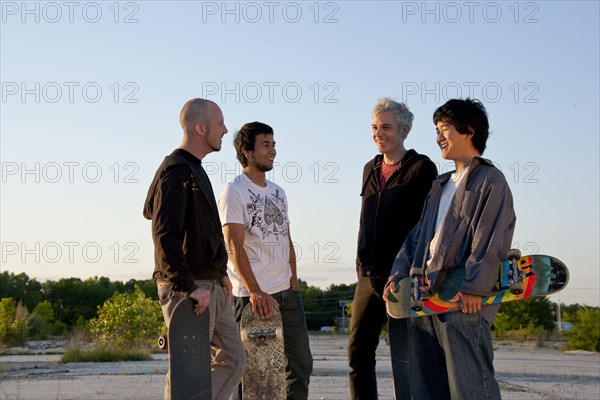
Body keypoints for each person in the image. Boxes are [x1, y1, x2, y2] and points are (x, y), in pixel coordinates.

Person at [384, 98, 517, 400]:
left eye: (444, 129)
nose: (438, 137)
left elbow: (491, 237)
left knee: (469, 388)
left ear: (468, 131)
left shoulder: (489, 180)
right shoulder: (439, 185)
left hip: (462, 298)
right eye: (436, 130)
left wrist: (475, 287)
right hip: (424, 296)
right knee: (427, 387)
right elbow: (417, 238)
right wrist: (398, 275)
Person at [143, 98, 246, 400]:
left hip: (210, 283)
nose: (226, 129)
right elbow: (164, 235)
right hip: (188, 288)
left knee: (234, 357)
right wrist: (187, 285)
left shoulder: (194, 169)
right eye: (220, 123)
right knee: (187, 373)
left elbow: (203, 230)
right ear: (200, 128)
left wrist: (220, 272)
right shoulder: (175, 172)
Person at [349, 98, 438, 399]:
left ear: (405, 129)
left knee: (407, 358)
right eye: (374, 127)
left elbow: (425, 226)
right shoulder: (369, 168)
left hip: (402, 280)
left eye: (385, 127)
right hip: (368, 276)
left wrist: (411, 270)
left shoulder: (421, 168)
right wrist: (361, 263)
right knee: (358, 354)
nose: (378, 133)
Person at [218, 121, 313, 400]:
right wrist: (255, 290)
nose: (273, 151)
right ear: (246, 152)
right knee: (249, 373)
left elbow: (286, 240)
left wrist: (293, 284)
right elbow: (234, 246)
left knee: (300, 365)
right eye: (265, 145)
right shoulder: (233, 191)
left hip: (286, 295)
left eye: (274, 144)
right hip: (252, 297)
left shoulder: (278, 192)